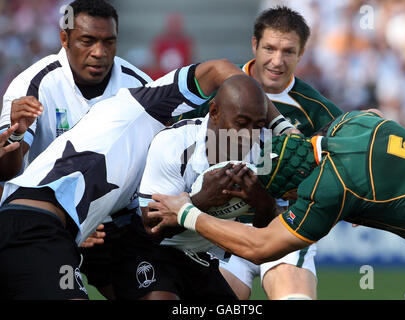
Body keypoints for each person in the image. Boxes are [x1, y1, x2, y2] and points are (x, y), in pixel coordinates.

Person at [0, 59, 289, 299]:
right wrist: (284, 127)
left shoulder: (144, 149)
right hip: (34, 224)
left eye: (258, 126)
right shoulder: (145, 110)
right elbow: (218, 70)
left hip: (61, 231)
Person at [147, 110, 405, 300]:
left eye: (289, 195)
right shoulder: (351, 122)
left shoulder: (328, 190)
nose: (292, 200)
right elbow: (373, 113)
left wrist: (186, 213)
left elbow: (258, 247)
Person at [177, 6, 343, 300]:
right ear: (254, 44)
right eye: (269, 48)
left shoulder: (320, 111)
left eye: (288, 51)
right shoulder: (215, 93)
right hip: (218, 232)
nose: (277, 61)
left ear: (301, 53)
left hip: (285, 230)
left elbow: (348, 165)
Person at [0, 0, 153, 299]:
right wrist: (16, 137)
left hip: (113, 227)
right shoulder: (34, 84)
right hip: (46, 224)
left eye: (109, 41)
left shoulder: (139, 87)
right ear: (64, 40)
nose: (99, 52)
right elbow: (7, 169)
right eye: (87, 41)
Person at [137, 75, 277, 300]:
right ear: (214, 112)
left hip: (201, 255)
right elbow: (151, 227)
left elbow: (269, 234)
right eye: (241, 124)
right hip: (151, 250)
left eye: (258, 126)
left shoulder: (263, 154)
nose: (248, 135)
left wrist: (263, 203)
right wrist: (202, 200)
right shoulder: (174, 144)